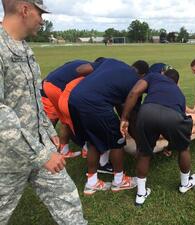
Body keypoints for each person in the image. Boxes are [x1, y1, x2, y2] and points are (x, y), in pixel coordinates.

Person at [0, 0, 87, 224]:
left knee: (67, 200)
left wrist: (47, 128)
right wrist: (41, 154)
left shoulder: (24, 48)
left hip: (41, 149)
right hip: (8, 159)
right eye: (40, 13)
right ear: (25, 9)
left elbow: (32, 97)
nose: (42, 19)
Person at [68, 58, 149, 195]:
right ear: (143, 76)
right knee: (117, 141)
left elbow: (81, 69)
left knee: (92, 140)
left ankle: (92, 183)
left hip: (74, 98)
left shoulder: (112, 62)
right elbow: (132, 119)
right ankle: (119, 181)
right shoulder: (135, 83)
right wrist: (140, 143)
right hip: (95, 104)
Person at [120, 69, 195, 206]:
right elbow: (175, 129)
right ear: (177, 82)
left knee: (144, 153)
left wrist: (124, 117)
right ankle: (185, 184)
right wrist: (171, 146)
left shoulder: (154, 76)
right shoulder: (179, 93)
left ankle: (141, 193)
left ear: (163, 75)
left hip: (147, 112)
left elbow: (134, 92)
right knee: (184, 149)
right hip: (172, 115)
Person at [43, 57, 105, 157]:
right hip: (57, 88)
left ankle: (63, 150)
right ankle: (86, 148)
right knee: (75, 120)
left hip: (48, 84)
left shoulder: (82, 63)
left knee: (65, 120)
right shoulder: (92, 70)